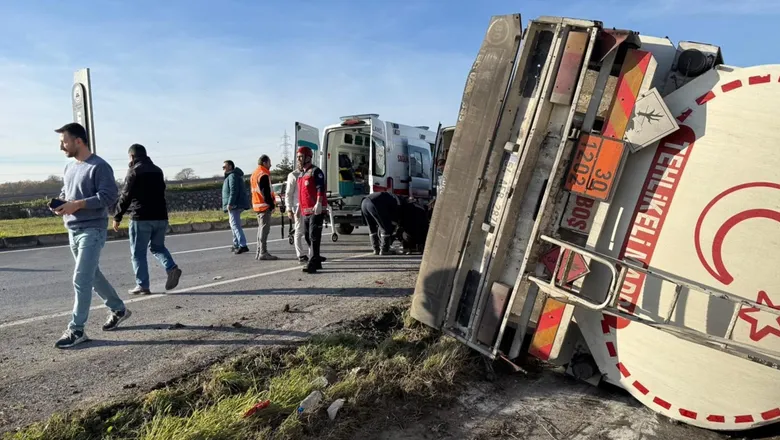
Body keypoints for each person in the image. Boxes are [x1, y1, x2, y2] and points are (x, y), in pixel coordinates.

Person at [51, 122, 131, 349]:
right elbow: (66, 192)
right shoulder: (69, 167)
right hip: (73, 229)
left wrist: (77, 205)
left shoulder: (100, 166)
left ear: (78, 141)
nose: (61, 147)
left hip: (92, 230)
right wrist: (61, 204)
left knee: (81, 278)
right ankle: (118, 309)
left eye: (64, 142)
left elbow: (108, 196)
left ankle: (77, 329)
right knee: (92, 275)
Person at [113, 144, 182, 294]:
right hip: (161, 216)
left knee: (138, 253)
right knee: (158, 247)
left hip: (141, 217)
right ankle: (171, 267)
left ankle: (142, 285)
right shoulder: (158, 170)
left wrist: (117, 216)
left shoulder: (134, 171)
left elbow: (126, 195)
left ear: (132, 156)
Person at [361, 191, 431, 255]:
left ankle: (376, 249)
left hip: (364, 202)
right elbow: (393, 223)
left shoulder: (393, 198)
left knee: (372, 229)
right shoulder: (399, 205)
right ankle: (384, 250)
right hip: (376, 203)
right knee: (385, 228)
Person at [296, 146, 328, 273]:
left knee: (314, 236)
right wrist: (299, 207)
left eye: (300, 157)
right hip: (306, 210)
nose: (298, 159)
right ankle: (317, 259)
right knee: (307, 236)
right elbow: (302, 194)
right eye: (298, 157)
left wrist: (319, 203)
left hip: (316, 210)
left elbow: (320, 188)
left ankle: (313, 262)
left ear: (308, 157)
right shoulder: (302, 174)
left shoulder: (316, 171)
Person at [250, 155, 278, 260]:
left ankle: (259, 252)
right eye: (269, 162)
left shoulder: (255, 173)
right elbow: (265, 193)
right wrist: (271, 205)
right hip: (264, 206)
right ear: (264, 163)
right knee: (264, 230)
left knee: (260, 229)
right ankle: (263, 252)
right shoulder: (263, 174)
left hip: (257, 205)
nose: (271, 164)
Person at [222, 160, 251, 254]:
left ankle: (243, 245)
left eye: (224, 167)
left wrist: (230, 203)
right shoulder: (232, 176)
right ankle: (236, 244)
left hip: (235, 204)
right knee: (233, 224)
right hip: (236, 204)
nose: (223, 169)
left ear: (230, 166)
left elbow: (233, 190)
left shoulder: (232, 176)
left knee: (235, 225)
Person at [285, 160, 307, 263]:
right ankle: (300, 254)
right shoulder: (293, 175)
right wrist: (289, 209)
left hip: (307, 205)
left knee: (308, 230)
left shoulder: (308, 173)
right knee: (299, 230)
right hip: (297, 207)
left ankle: (312, 253)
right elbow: (288, 194)